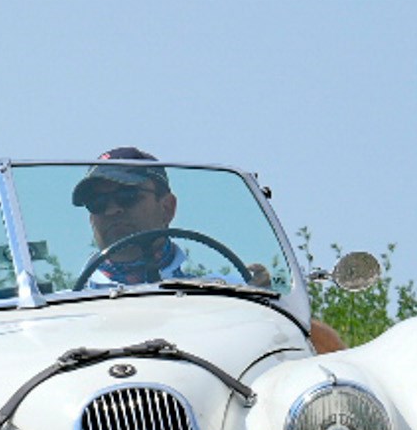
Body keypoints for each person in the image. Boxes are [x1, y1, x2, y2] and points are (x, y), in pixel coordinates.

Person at [71, 147, 347, 354]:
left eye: (127, 196)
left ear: (167, 207)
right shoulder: (65, 310)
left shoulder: (229, 294)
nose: (112, 210)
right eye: (97, 202)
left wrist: (269, 305)